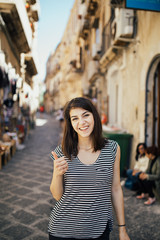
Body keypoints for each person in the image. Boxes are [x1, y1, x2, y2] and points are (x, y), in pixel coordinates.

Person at [49, 97, 130, 240]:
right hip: (63, 230)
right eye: (75, 118)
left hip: (98, 231)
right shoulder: (62, 152)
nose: (82, 122)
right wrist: (57, 173)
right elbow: (57, 196)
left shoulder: (113, 149)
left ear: (94, 116)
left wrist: (122, 229)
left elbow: (116, 189)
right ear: (70, 123)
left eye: (85, 115)